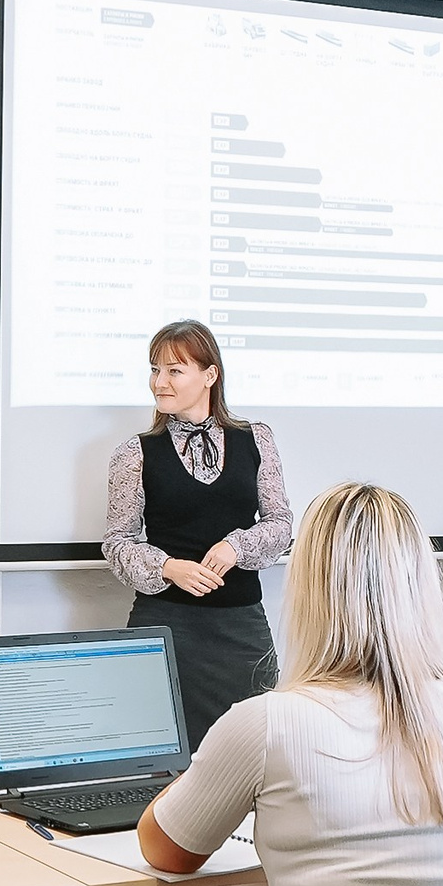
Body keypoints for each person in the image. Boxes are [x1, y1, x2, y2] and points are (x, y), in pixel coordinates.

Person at [137, 482, 443, 886]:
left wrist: (214, 765)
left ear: (309, 590)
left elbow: (166, 851)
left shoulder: (268, 723)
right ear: (420, 584)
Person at [103, 320, 292, 748]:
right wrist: (169, 568)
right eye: (155, 370)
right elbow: (117, 543)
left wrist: (236, 545)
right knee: (155, 753)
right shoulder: (134, 452)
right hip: (166, 625)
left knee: (257, 749)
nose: (159, 382)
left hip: (240, 628)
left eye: (174, 370)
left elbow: (280, 524)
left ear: (210, 375)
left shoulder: (256, 439)